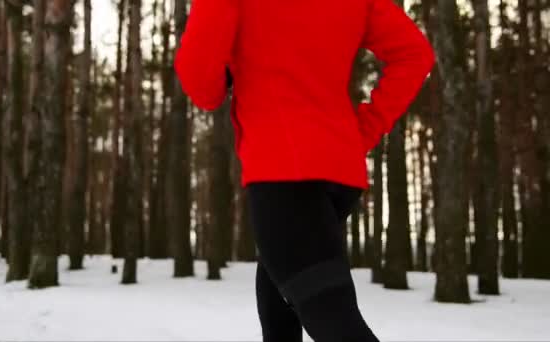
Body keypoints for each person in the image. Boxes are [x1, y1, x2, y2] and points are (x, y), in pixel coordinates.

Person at [174, 0, 435, 341]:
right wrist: (362, 132)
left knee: (331, 316)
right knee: (279, 311)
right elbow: (415, 54)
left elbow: (202, 86)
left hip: (282, 175)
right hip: (338, 170)